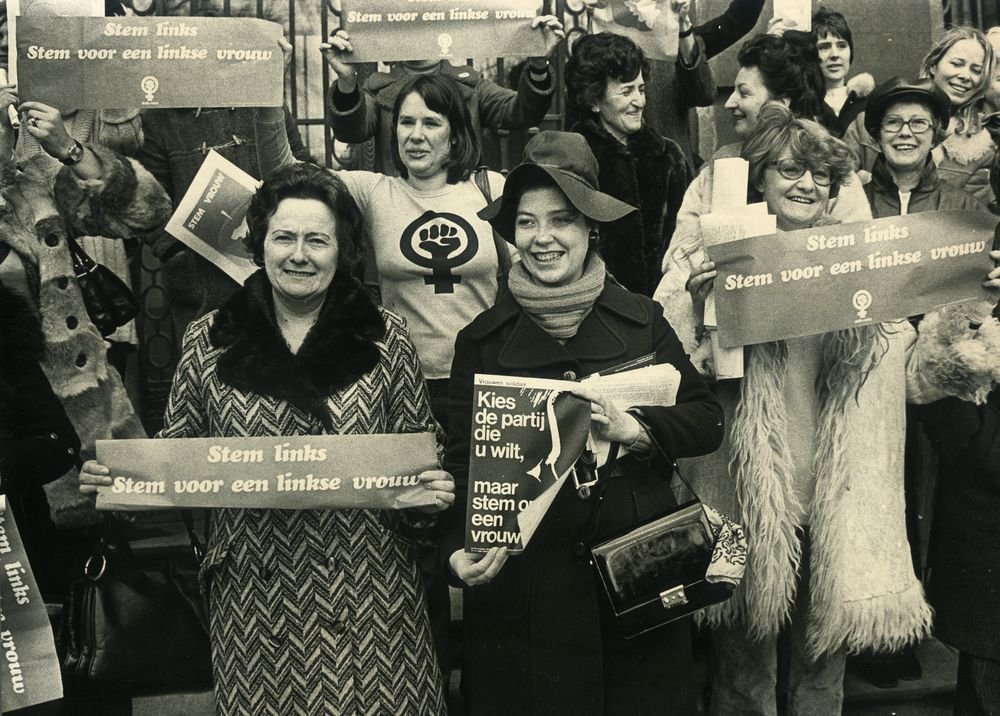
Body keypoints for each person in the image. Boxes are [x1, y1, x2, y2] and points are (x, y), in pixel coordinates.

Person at [655, 101, 1000, 715]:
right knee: (739, 667)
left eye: (821, 175)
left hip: (836, 496)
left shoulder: (859, 263)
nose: (807, 184)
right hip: (743, 495)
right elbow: (668, 366)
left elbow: (915, 377)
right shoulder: (718, 255)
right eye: (789, 171)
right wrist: (698, 306)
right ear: (759, 177)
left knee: (822, 672)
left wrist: (968, 311)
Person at [80, 162, 455, 715]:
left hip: (370, 593)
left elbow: (420, 452)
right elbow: (178, 460)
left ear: (342, 248)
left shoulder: (385, 335)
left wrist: (431, 487)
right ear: (260, 243)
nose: (299, 254)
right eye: (283, 237)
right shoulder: (210, 339)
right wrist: (122, 480)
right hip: (257, 599)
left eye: (317, 240)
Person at [443, 130, 725, 714]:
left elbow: (705, 419)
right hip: (528, 590)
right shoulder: (481, 343)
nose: (543, 238)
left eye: (562, 220)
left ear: (591, 228)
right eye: (526, 222)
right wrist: (459, 547)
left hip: (635, 577)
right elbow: (461, 465)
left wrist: (641, 429)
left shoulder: (643, 321)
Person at [655, 30, 872, 289]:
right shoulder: (718, 170)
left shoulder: (834, 170)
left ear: (780, 104)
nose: (730, 102)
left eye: (744, 93)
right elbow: (678, 262)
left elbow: (858, 265)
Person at [323, 14, 564, 176]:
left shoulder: (470, 85)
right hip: (401, 202)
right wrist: (346, 81)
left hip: (461, 203)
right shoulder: (378, 89)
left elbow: (522, 112)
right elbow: (351, 131)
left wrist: (539, 65)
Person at [565, 31, 693, 294]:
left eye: (642, 89)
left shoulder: (669, 156)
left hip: (661, 310)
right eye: (626, 92)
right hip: (594, 312)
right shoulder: (571, 159)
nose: (640, 101)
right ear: (594, 100)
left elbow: (685, 241)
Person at [845, 26, 995, 203]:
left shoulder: (981, 150)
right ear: (933, 65)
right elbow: (837, 183)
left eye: (976, 70)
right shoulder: (864, 125)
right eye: (957, 64)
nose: (965, 75)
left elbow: (972, 219)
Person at [863, 77, 987, 216]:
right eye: (893, 122)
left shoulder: (965, 207)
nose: (905, 132)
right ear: (878, 135)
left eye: (918, 123)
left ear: (934, 137)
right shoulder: (853, 204)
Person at [811, 8, 873, 137]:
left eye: (841, 46)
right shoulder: (805, 103)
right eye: (824, 47)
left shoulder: (868, 101)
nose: (834, 55)